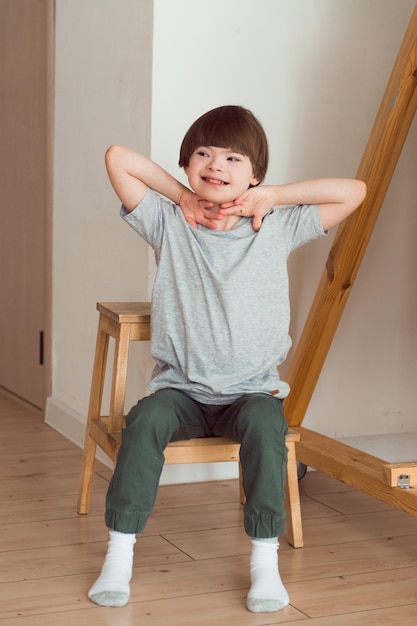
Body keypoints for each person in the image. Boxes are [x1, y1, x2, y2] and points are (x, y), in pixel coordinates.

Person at [88, 105, 366, 613]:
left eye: (234, 158)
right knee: (144, 420)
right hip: (182, 393)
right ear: (188, 164)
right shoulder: (168, 222)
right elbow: (118, 158)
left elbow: (355, 191)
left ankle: (265, 564)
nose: (216, 164)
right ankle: (119, 555)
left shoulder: (277, 225)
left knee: (268, 428)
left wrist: (273, 197)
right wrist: (181, 196)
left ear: (254, 175)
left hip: (250, 392)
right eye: (204, 154)